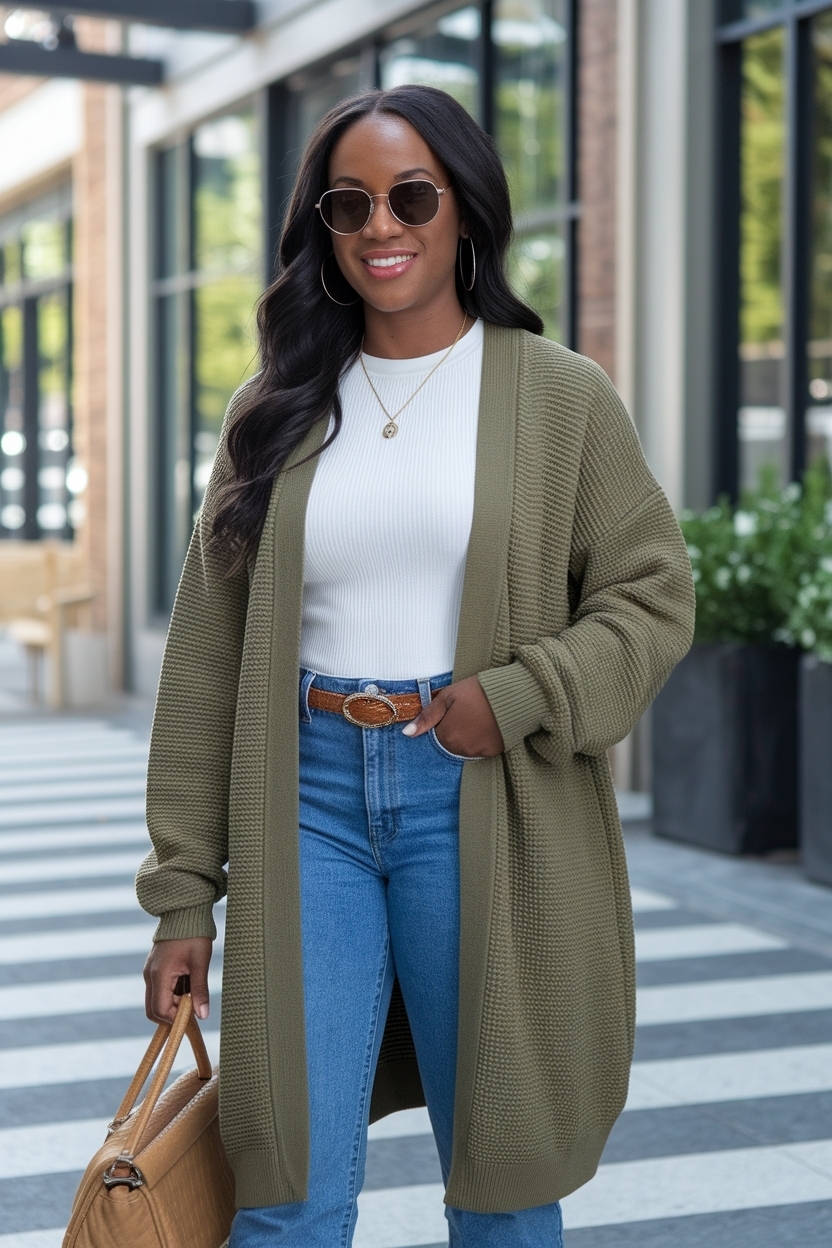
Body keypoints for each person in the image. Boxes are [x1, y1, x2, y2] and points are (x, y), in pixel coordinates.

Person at [138, 85, 695, 1247]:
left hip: (482, 796)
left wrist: (520, 695)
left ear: (465, 209)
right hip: (305, 807)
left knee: (502, 1181)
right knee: (282, 1186)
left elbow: (651, 596)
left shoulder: (559, 395)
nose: (380, 226)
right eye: (348, 205)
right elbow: (205, 661)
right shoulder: (273, 408)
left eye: (410, 197)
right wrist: (183, 895)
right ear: (323, 229)